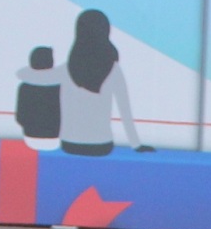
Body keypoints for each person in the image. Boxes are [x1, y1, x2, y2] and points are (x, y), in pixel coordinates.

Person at [58, 9, 148, 156]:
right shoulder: (114, 70)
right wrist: (136, 145)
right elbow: (125, 111)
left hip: (69, 144)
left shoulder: (65, 69)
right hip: (101, 146)